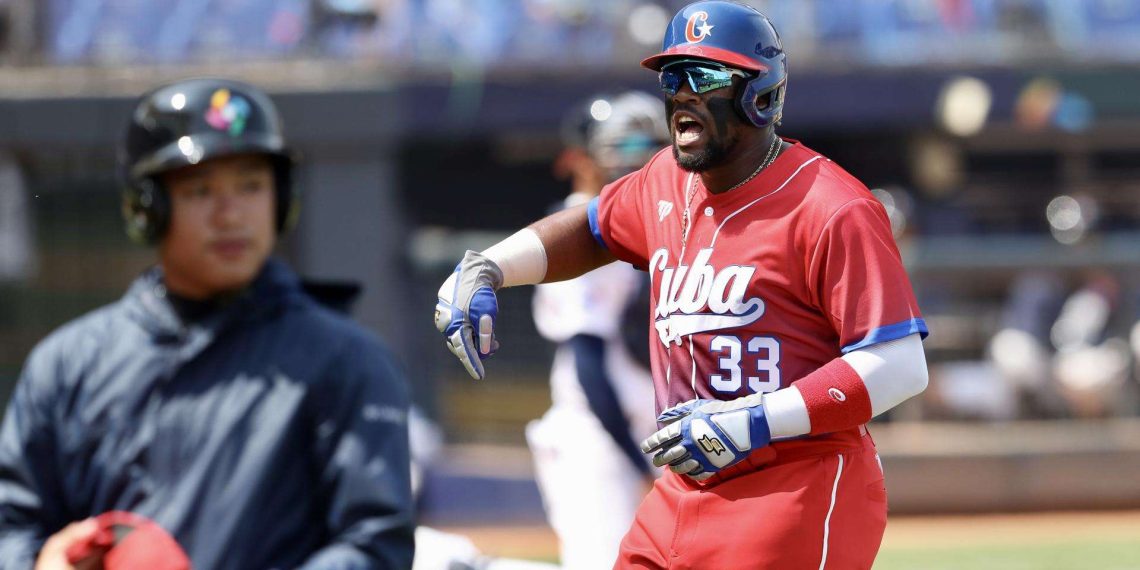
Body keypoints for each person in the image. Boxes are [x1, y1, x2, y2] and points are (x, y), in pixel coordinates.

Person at [433, 2, 929, 568]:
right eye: (673, 77)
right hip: (682, 486)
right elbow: (593, 227)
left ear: (761, 94)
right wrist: (490, 266)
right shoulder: (665, 180)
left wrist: (752, 420)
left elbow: (899, 363)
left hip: (792, 484)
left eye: (705, 76)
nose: (683, 94)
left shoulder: (831, 204)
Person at [0, 78, 415, 569]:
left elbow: (375, 546)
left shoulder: (347, 361)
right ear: (147, 208)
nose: (231, 214)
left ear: (282, 200)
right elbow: (12, 525)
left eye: (251, 185)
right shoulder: (68, 364)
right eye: (200, 190)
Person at [526, 91, 665, 570]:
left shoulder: (630, 224)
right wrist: (638, 461)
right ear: (577, 159)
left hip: (633, 431)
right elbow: (589, 367)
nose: (631, 160)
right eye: (618, 148)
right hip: (598, 438)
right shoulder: (574, 236)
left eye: (638, 147)